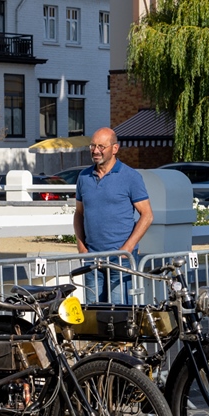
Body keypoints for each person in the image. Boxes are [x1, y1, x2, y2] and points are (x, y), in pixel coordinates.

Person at [73, 127, 153, 303]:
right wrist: (81, 247)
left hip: (121, 260)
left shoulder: (131, 177)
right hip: (91, 259)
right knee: (94, 313)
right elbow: (79, 213)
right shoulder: (83, 177)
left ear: (115, 148)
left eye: (101, 146)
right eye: (92, 146)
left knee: (120, 313)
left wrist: (127, 248)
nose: (95, 151)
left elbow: (147, 215)